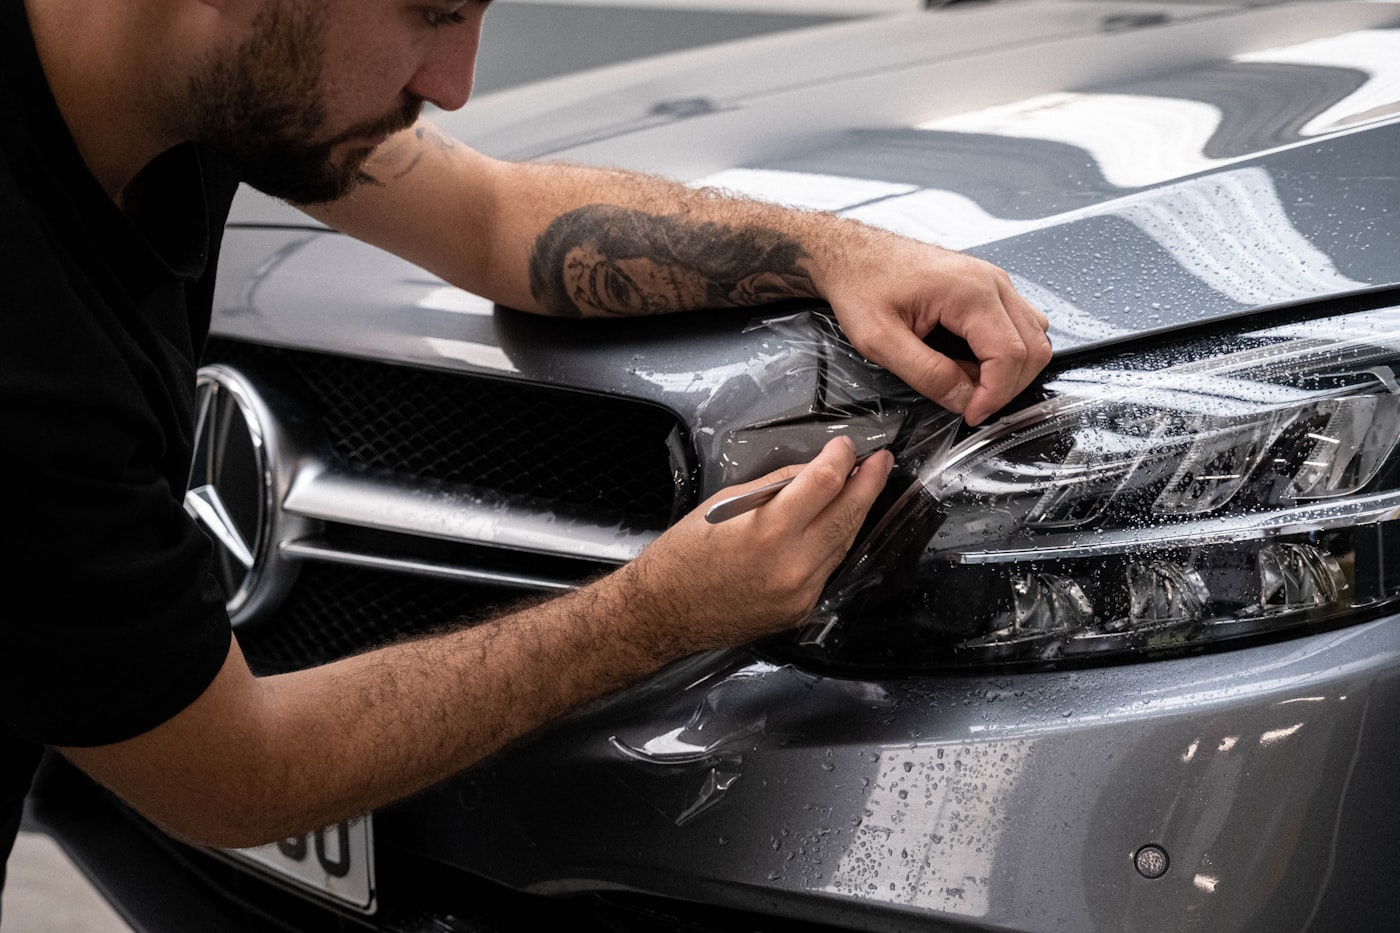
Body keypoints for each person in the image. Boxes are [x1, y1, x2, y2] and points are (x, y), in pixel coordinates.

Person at [0, 0, 1051, 896]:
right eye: (432, 11)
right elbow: (233, 774)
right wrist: (660, 613)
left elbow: (492, 218)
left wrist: (835, 251)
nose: (453, 83)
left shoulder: (194, 79)